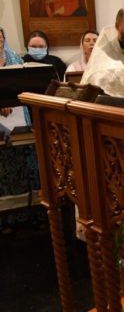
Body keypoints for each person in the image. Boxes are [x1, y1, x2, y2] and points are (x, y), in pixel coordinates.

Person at [0, 26, 43, 233]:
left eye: (0, 38)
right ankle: (5, 219)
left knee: (27, 163)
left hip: (19, 120)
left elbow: (26, 89)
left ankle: (29, 213)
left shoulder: (15, 60)